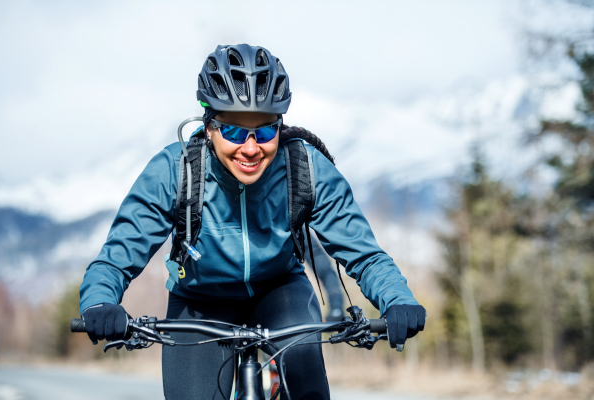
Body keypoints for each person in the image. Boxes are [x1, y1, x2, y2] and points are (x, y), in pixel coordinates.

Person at [79, 43, 426, 400]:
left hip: (280, 291)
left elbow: (364, 254)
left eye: (264, 132)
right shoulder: (176, 170)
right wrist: (100, 302)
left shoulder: (304, 169)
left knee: (306, 376)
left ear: (280, 126)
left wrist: (397, 300)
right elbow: (117, 256)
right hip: (201, 301)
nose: (249, 148)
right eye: (232, 132)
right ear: (208, 126)